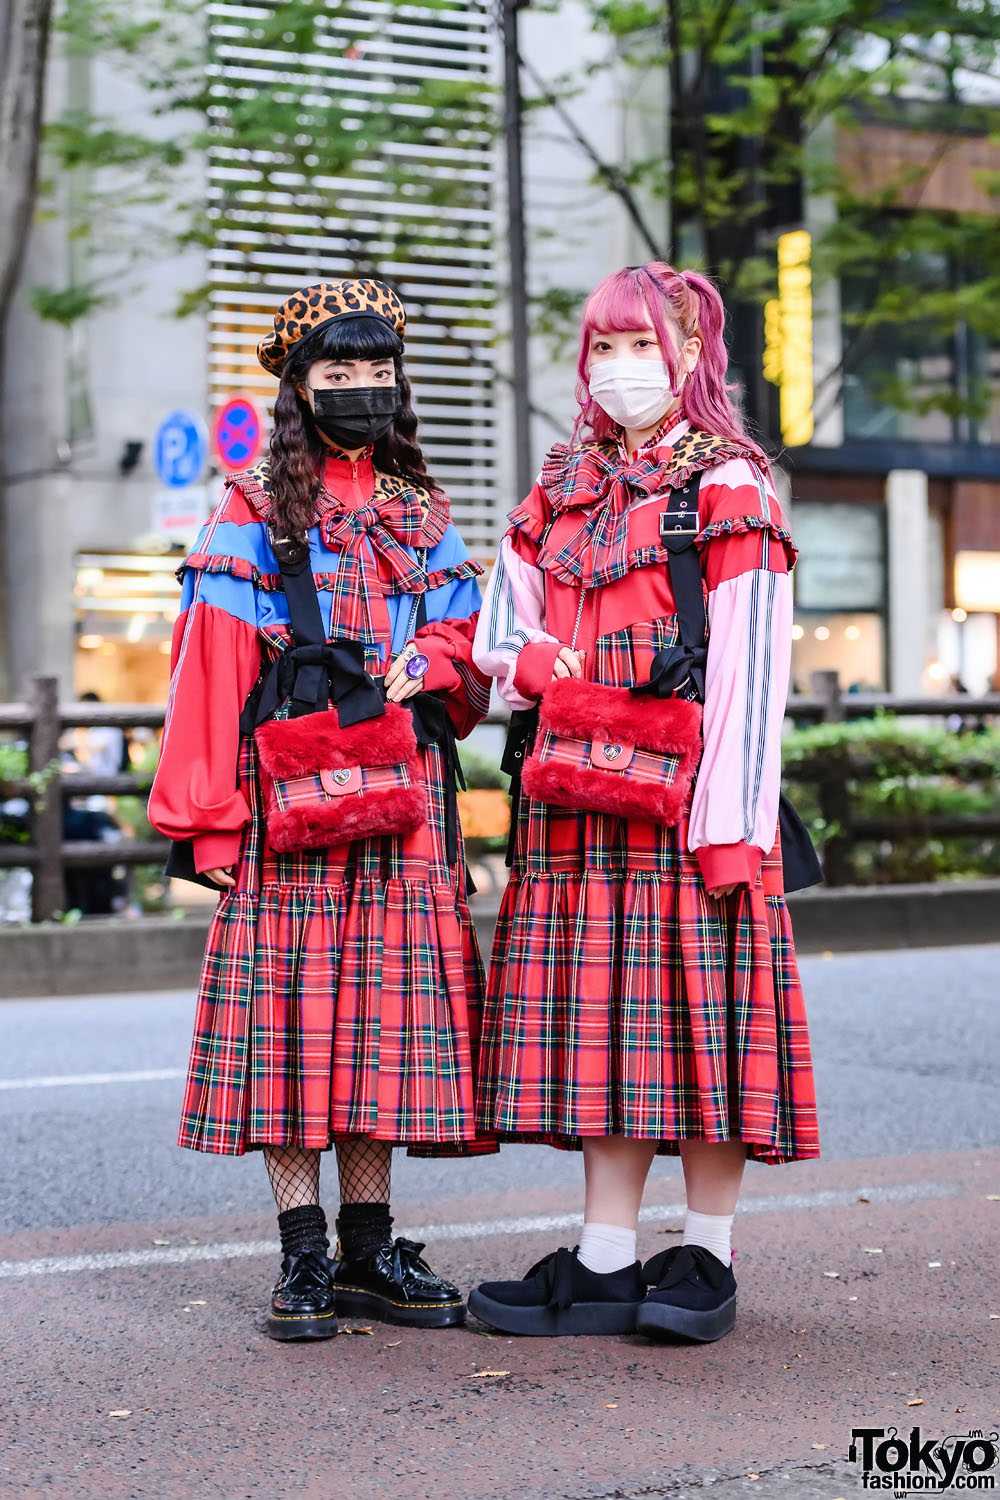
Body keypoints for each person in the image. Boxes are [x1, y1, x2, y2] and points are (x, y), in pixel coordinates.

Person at [469, 262, 819, 1342]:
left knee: (704, 1039)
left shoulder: (731, 486)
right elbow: (491, 642)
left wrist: (729, 837)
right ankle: (608, 1256)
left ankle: (704, 1258)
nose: (620, 369)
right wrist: (542, 667)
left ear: (692, 354)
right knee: (606, 1041)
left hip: (686, 811)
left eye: (642, 346)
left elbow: (752, 681)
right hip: (577, 803)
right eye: (603, 349)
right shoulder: (559, 488)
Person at [149, 278, 493, 1342]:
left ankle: (369, 1247)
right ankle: (303, 1254)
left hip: (405, 798)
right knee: (293, 1026)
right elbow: (207, 671)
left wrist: (431, 659)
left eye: (377, 372)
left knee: (379, 1026)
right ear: (296, 387)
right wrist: (205, 823)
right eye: (337, 373)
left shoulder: (424, 517)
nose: (361, 389)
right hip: (283, 804)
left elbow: (471, 659)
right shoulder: (248, 511)